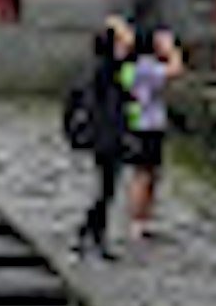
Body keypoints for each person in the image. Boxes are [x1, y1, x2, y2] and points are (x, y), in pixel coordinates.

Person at [64, 17, 133, 256]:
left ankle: (92, 235)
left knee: (106, 189)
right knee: (106, 189)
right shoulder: (107, 70)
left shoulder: (95, 68)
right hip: (107, 135)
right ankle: (89, 233)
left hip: (103, 134)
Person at [119, 24, 181, 246]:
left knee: (150, 173)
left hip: (142, 123)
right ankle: (137, 221)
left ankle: (143, 219)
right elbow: (174, 70)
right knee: (143, 174)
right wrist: (171, 50)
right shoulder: (144, 67)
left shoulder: (131, 66)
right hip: (146, 125)